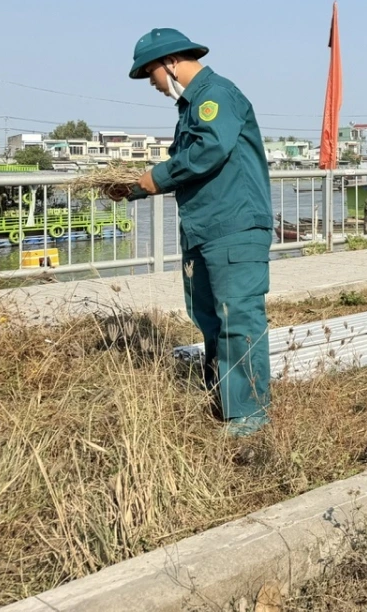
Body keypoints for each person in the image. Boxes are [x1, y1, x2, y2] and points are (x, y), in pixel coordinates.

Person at [109, 28, 274, 437]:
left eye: (151, 74)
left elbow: (208, 151)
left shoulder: (217, 96)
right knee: (210, 318)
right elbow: (184, 165)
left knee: (238, 318)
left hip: (234, 227)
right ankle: (223, 402)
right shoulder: (192, 107)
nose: (152, 84)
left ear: (170, 62)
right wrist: (130, 187)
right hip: (205, 229)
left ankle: (249, 418)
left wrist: (153, 178)